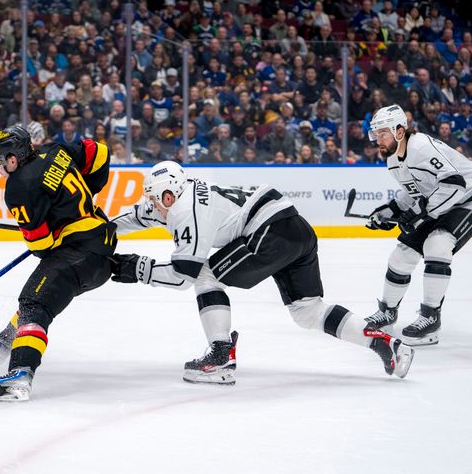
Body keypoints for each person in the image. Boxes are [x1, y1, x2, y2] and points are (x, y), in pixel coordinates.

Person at [108, 161, 414, 384]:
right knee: (308, 311)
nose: (151, 204)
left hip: (269, 232)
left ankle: (221, 355)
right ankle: (385, 343)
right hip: (295, 228)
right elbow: (141, 215)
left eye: (154, 198)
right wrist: (103, 228)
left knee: (204, 275)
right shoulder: (178, 195)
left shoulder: (188, 212)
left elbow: (181, 277)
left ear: (169, 196)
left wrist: (137, 268)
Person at [0, 125, 116, 401]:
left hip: (80, 251)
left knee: (35, 303)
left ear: (12, 158)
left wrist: (51, 226)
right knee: (42, 294)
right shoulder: (56, 151)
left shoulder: (18, 187)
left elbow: (41, 247)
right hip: (101, 246)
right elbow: (99, 152)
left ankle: (19, 375)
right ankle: (8, 340)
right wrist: (84, 196)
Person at [362, 105, 472, 346]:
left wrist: (421, 215)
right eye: (375, 134)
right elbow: (416, 192)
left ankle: (431, 318)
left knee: (437, 244)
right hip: (442, 202)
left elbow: (455, 184)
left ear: (400, 131)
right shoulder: (392, 159)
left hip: (471, 201)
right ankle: (388, 311)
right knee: (401, 256)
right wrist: (389, 210)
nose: (377, 140)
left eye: (383, 133)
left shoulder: (420, 147)